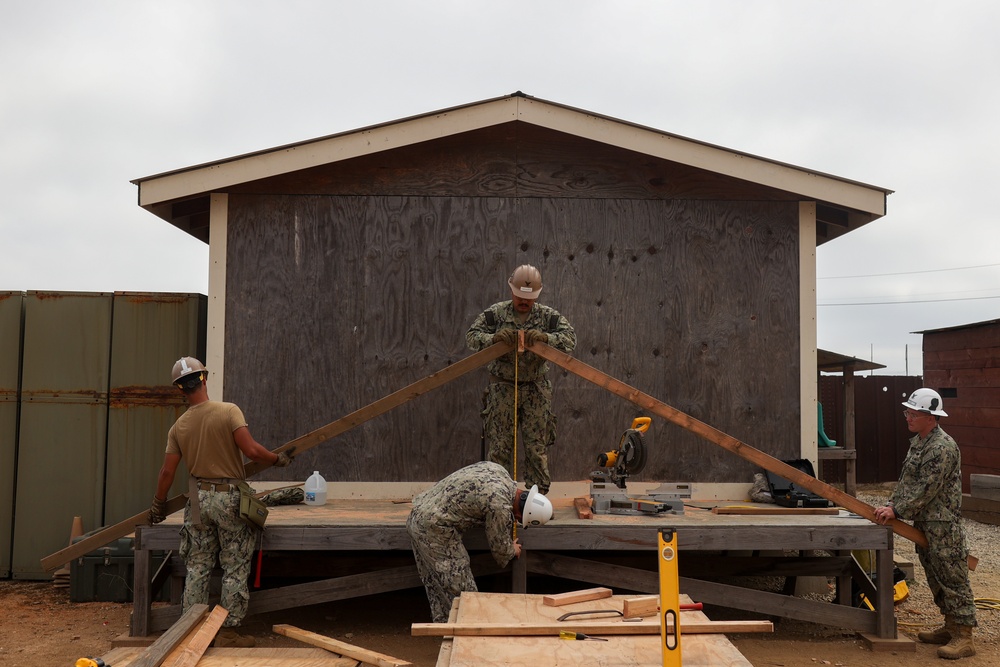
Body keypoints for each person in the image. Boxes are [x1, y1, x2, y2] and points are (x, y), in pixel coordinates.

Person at [148, 356, 293, 648]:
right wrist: (278, 459)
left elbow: (167, 472)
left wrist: (158, 504)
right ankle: (226, 632)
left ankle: (189, 631)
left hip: (198, 502)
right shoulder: (229, 412)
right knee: (234, 566)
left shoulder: (178, 427)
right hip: (230, 501)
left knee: (198, 566)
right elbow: (251, 450)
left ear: (180, 390)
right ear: (204, 378)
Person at [873, 388, 977, 659]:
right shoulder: (920, 443)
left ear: (931, 417)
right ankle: (950, 626)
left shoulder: (942, 447)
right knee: (935, 576)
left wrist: (897, 509)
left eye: (913, 413)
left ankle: (964, 636)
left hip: (943, 526)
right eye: (907, 412)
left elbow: (926, 488)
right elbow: (907, 482)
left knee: (952, 577)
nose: (908, 417)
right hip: (926, 522)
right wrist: (890, 505)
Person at [466, 264, 576, 494]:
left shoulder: (547, 316)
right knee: (500, 446)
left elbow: (569, 339)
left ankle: (537, 500)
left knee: (536, 446)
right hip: (503, 389)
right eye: (519, 297)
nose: (524, 302)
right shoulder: (496, 314)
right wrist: (493, 338)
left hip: (535, 389)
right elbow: (472, 337)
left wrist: (547, 338)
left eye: (529, 298)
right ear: (511, 291)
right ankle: (499, 497)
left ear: (537, 295)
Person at [406, 460, 553, 622]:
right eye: (520, 519)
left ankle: (446, 631)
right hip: (433, 528)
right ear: (522, 513)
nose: (517, 520)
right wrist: (512, 550)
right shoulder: (500, 507)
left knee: (437, 585)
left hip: (419, 513)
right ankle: (467, 635)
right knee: (463, 591)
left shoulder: (500, 471)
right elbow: (500, 550)